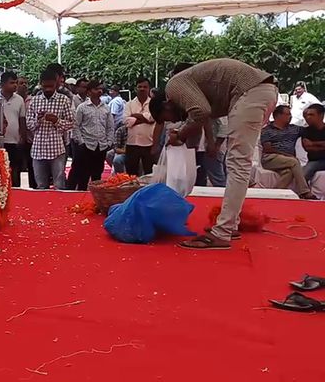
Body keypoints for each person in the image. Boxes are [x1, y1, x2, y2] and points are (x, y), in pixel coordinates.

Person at [149, 59, 279, 250]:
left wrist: (181, 134)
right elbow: (203, 117)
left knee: (237, 164)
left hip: (251, 92)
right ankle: (230, 225)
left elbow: (200, 112)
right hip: (260, 90)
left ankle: (223, 232)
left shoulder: (174, 85)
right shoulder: (190, 88)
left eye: (168, 119)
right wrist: (184, 138)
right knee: (238, 164)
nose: (175, 120)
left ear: (167, 104)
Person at [26, 70, 75, 190]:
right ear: (40, 84)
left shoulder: (63, 100)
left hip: (57, 149)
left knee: (59, 185)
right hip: (38, 149)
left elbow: (71, 123)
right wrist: (38, 120)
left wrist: (56, 120)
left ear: (56, 85)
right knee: (41, 185)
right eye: (45, 86)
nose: (48, 89)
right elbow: (29, 125)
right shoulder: (34, 101)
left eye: (51, 86)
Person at [260, 105, 317, 199]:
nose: (290, 116)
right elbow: (267, 149)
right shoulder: (267, 130)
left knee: (288, 172)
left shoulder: (294, 129)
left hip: (286, 160)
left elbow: (311, 129)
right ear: (278, 116)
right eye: (288, 114)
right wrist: (287, 155)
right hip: (270, 158)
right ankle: (305, 191)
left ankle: (273, 194)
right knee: (294, 162)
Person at [71, 80, 116, 190]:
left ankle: (95, 201)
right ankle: (81, 200)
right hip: (86, 145)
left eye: (100, 88)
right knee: (83, 176)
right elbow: (76, 126)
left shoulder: (106, 108)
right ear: (89, 92)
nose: (99, 91)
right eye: (96, 89)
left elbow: (110, 127)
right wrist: (81, 142)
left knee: (97, 176)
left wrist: (109, 142)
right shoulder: (82, 107)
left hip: (101, 146)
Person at [0, 72, 27, 187]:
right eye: (11, 83)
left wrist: (22, 138)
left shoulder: (19, 100)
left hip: (15, 142)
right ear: (2, 84)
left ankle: (16, 193)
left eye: (15, 82)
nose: (15, 85)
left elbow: (22, 120)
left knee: (15, 170)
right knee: (0, 172)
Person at [123, 78, 155, 176]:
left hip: (149, 143)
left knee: (149, 172)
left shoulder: (153, 104)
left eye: (145, 87)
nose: (142, 89)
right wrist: (146, 118)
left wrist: (135, 116)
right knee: (131, 174)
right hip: (132, 143)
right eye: (140, 87)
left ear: (149, 88)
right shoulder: (129, 104)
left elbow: (153, 118)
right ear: (136, 88)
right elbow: (126, 121)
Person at [17, 76, 37, 189]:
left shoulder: (33, 100)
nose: (24, 85)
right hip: (16, 139)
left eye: (25, 83)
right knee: (17, 167)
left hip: (31, 139)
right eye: (21, 83)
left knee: (32, 166)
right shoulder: (14, 100)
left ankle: (33, 189)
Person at [302, 103, 325, 183]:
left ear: (321, 115)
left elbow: (310, 145)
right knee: (303, 175)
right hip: (314, 161)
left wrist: (313, 144)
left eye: (312, 115)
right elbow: (307, 147)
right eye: (307, 115)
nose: (308, 117)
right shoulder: (306, 131)